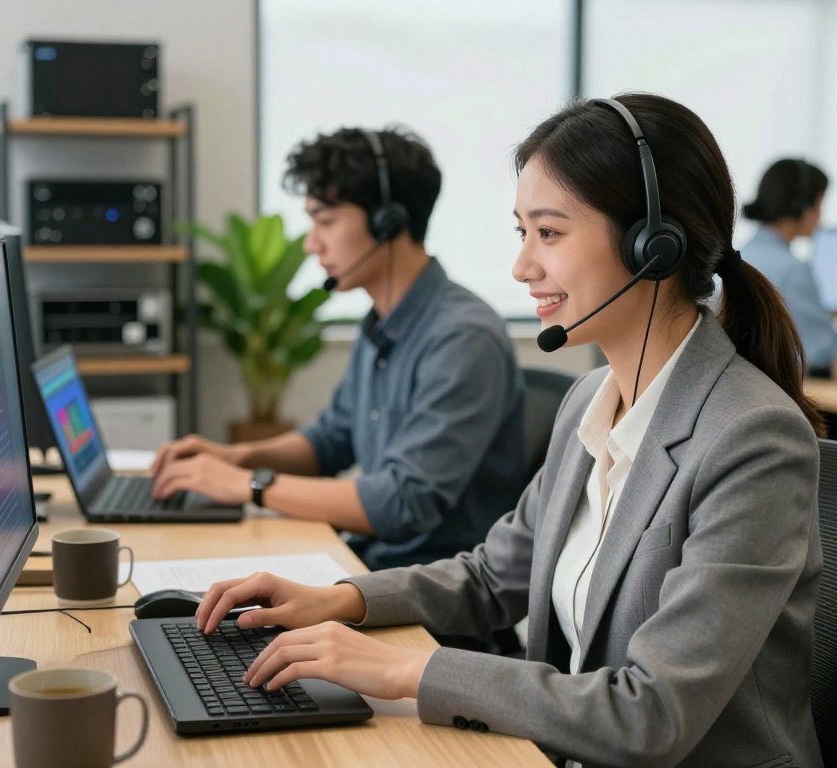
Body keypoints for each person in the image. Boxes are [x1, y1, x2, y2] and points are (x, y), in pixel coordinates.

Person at [193, 94, 827, 768]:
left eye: (548, 234)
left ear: (654, 245)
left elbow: (653, 715)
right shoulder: (591, 400)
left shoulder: (753, 438)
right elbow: (492, 577)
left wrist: (406, 672)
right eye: (520, 233)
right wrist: (338, 600)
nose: (522, 267)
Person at [151, 126, 526, 570]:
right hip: (372, 562)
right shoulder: (382, 323)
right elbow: (331, 440)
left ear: (389, 222)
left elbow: (405, 503)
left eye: (325, 221)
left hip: (431, 591)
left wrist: (248, 484)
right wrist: (237, 457)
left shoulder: (463, 338)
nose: (312, 244)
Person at [741, 158, 837, 379]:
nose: (821, 215)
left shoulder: (740, 256)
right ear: (800, 207)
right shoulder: (793, 270)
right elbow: (820, 353)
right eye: (820, 205)